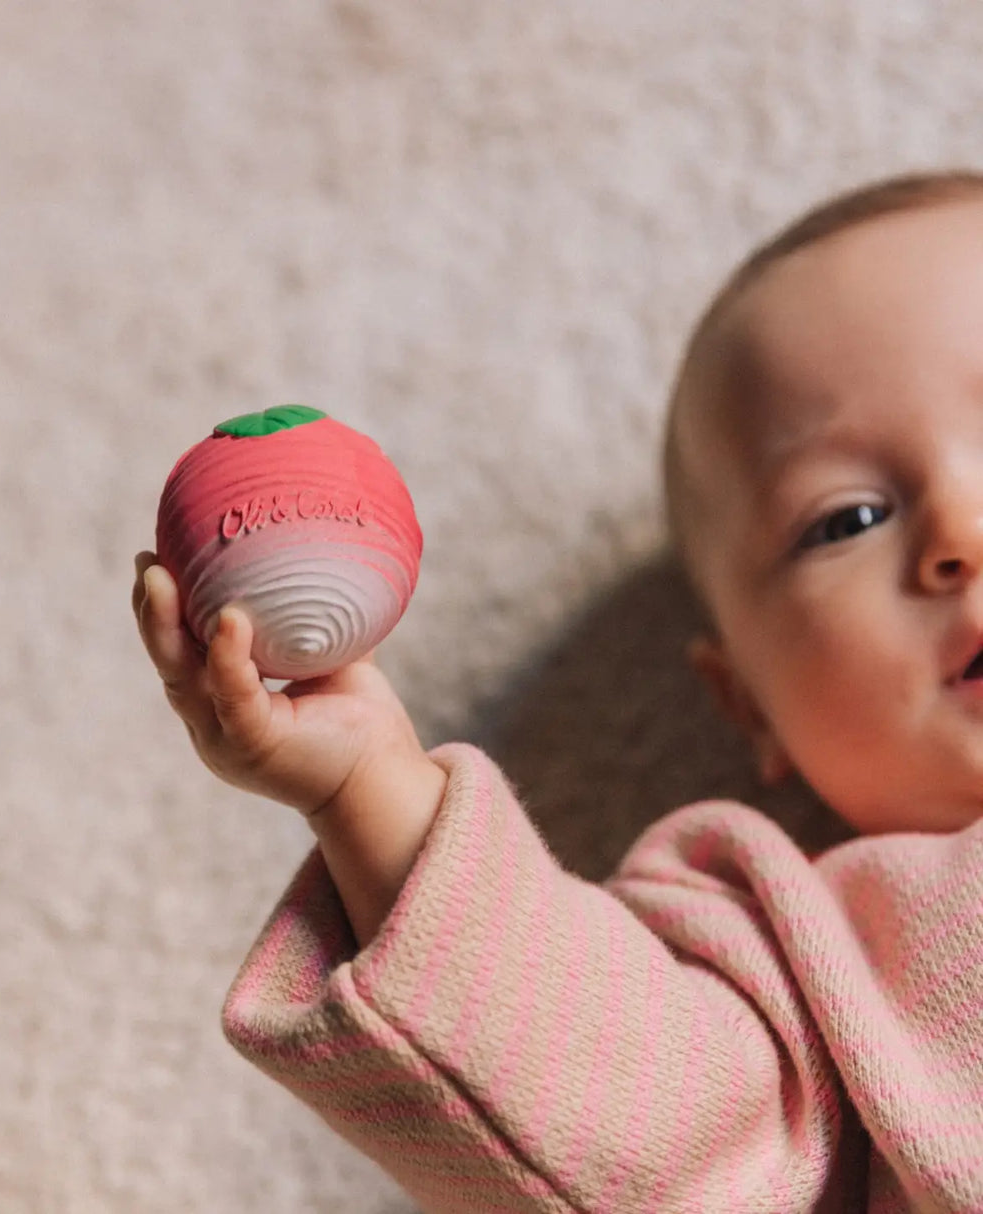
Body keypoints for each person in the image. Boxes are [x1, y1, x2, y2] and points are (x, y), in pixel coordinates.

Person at [132, 172, 983, 1213]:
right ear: (749, 705)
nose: (958, 532)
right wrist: (368, 788)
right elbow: (641, 1141)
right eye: (845, 518)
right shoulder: (813, 958)